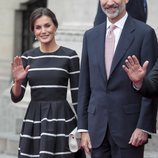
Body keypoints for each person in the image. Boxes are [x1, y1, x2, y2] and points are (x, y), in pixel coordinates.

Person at [77, 0, 158, 158]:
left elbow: (151, 84)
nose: (109, 3)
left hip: (129, 130)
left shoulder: (145, 33)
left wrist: (143, 126)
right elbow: (84, 85)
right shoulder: (90, 36)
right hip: (96, 129)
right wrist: (83, 128)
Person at [10, 7, 81, 158]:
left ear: (55, 26)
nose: (43, 31)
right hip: (34, 120)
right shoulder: (27, 57)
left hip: (62, 119)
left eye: (47, 25)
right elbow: (16, 97)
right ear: (33, 31)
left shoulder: (70, 56)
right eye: (38, 27)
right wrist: (18, 81)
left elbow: (78, 96)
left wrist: (84, 128)